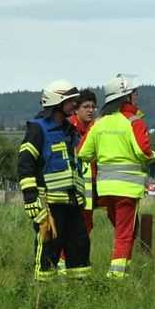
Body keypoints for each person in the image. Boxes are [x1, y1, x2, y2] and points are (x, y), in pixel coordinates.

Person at [78, 74, 155, 278]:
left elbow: (83, 153)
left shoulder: (99, 123)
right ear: (126, 97)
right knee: (124, 234)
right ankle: (116, 277)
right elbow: (143, 151)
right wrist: (154, 158)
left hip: (105, 189)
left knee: (123, 231)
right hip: (127, 188)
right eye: (134, 93)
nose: (136, 97)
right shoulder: (134, 121)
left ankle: (120, 272)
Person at [17, 79, 90, 281]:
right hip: (49, 205)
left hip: (73, 203)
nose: (74, 105)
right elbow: (25, 164)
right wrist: (31, 198)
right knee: (49, 250)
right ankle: (44, 296)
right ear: (57, 103)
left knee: (80, 247)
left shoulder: (69, 129)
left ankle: (79, 295)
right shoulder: (38, 129)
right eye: (70, 101)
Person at [67, 89, 99, 233]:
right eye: (86, 107)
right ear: (76, 109)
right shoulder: (68, 129)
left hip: (91, 186)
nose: (91, 110)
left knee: (86, 225)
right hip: (71, 186)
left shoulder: (97, 129)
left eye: (93, 107)